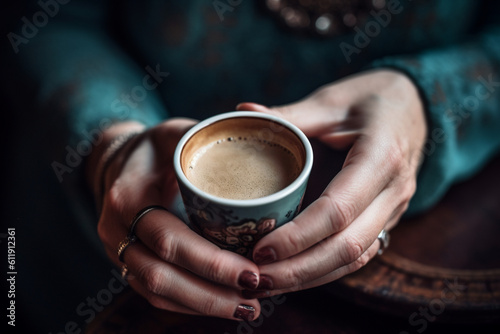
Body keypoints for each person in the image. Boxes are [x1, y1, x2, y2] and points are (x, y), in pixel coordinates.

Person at [2, 0, 500, 331]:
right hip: (89, 251)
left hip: (394, 280)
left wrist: (429, 99)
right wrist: (109, 141)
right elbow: (46, 19)